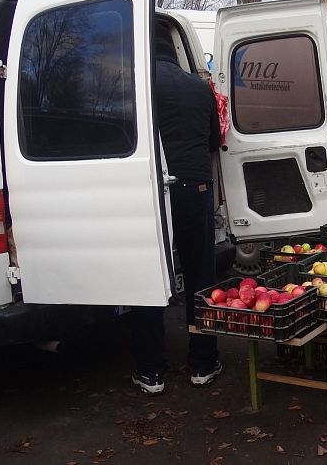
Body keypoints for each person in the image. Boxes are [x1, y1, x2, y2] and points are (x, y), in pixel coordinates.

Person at [130, 23, 222, 395]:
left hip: (151, 191)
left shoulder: (137, 86)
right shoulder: (199, 88)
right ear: (173, 51)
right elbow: (215, 140)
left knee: (148, 280)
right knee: (200, 276)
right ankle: (202, 364)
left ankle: (151, 372)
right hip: (194, 187)